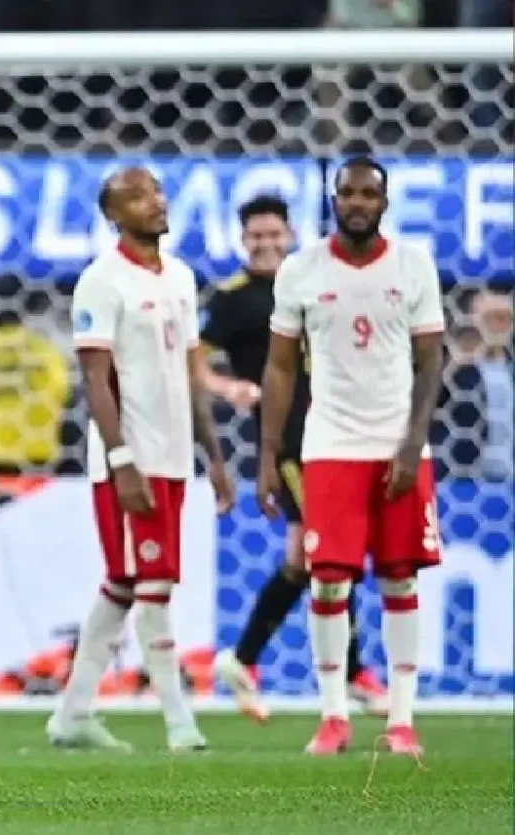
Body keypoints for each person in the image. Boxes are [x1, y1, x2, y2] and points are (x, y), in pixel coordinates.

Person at [259, 158, 445, 757]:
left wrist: (413, 443)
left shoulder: (413, 266)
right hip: (330, 443)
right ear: (333, 199)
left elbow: (431, 361)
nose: (358, 202)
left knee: (399, 577)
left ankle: (401, 719)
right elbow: (280, 366)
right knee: (330, 581)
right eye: (348, 193)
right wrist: (268, 454)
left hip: (397, 444)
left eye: (369, 193)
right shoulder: (301, 270)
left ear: (385, 203)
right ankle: (334, 715)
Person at [47, 167, 234, 754]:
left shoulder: (180, 277)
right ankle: (179, 721)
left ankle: (73, 714)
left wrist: (215, 457)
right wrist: (121, 457)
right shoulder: (101, 282)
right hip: (130, 458)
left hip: (175, 456)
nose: (153, 201)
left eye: (155, 190)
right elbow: (95, 381)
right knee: (152, 584)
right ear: (112, 216)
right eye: (136, 196)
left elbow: (191, 373)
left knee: (126, 583)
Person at [202, 195, 387, 721]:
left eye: (273, 235)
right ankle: (353, 675)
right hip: (286, 442)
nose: (265, 245)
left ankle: (242, 659)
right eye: (256, 237)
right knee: (327, 550)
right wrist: (227, 387)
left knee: (307, 559)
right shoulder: (233, 299)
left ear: (289, 235)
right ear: (243, 242)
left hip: (337, 432)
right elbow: (191, 362)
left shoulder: (311, 284)